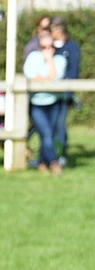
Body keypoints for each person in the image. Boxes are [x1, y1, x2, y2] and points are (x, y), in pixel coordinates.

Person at [25, 31, 66, 175]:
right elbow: (30, 76)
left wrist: (49, 61)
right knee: (46, 133)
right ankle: (54, 162)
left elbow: (55, 78)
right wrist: (46, 78)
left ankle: (42, 162)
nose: (47, 50)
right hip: (37, 102)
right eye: (44, 47)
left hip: (54, 102)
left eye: (50, 47)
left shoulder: (60, 60)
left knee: (48, 135)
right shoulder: (33, 57)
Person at [49, 17, 81, 166]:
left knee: (59, 126)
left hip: (63, 94)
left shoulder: (71, 47)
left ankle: (60, 154)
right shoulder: (48, 46)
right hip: (45, 94)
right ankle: (47, 155)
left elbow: (73, 71)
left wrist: (69, 93)